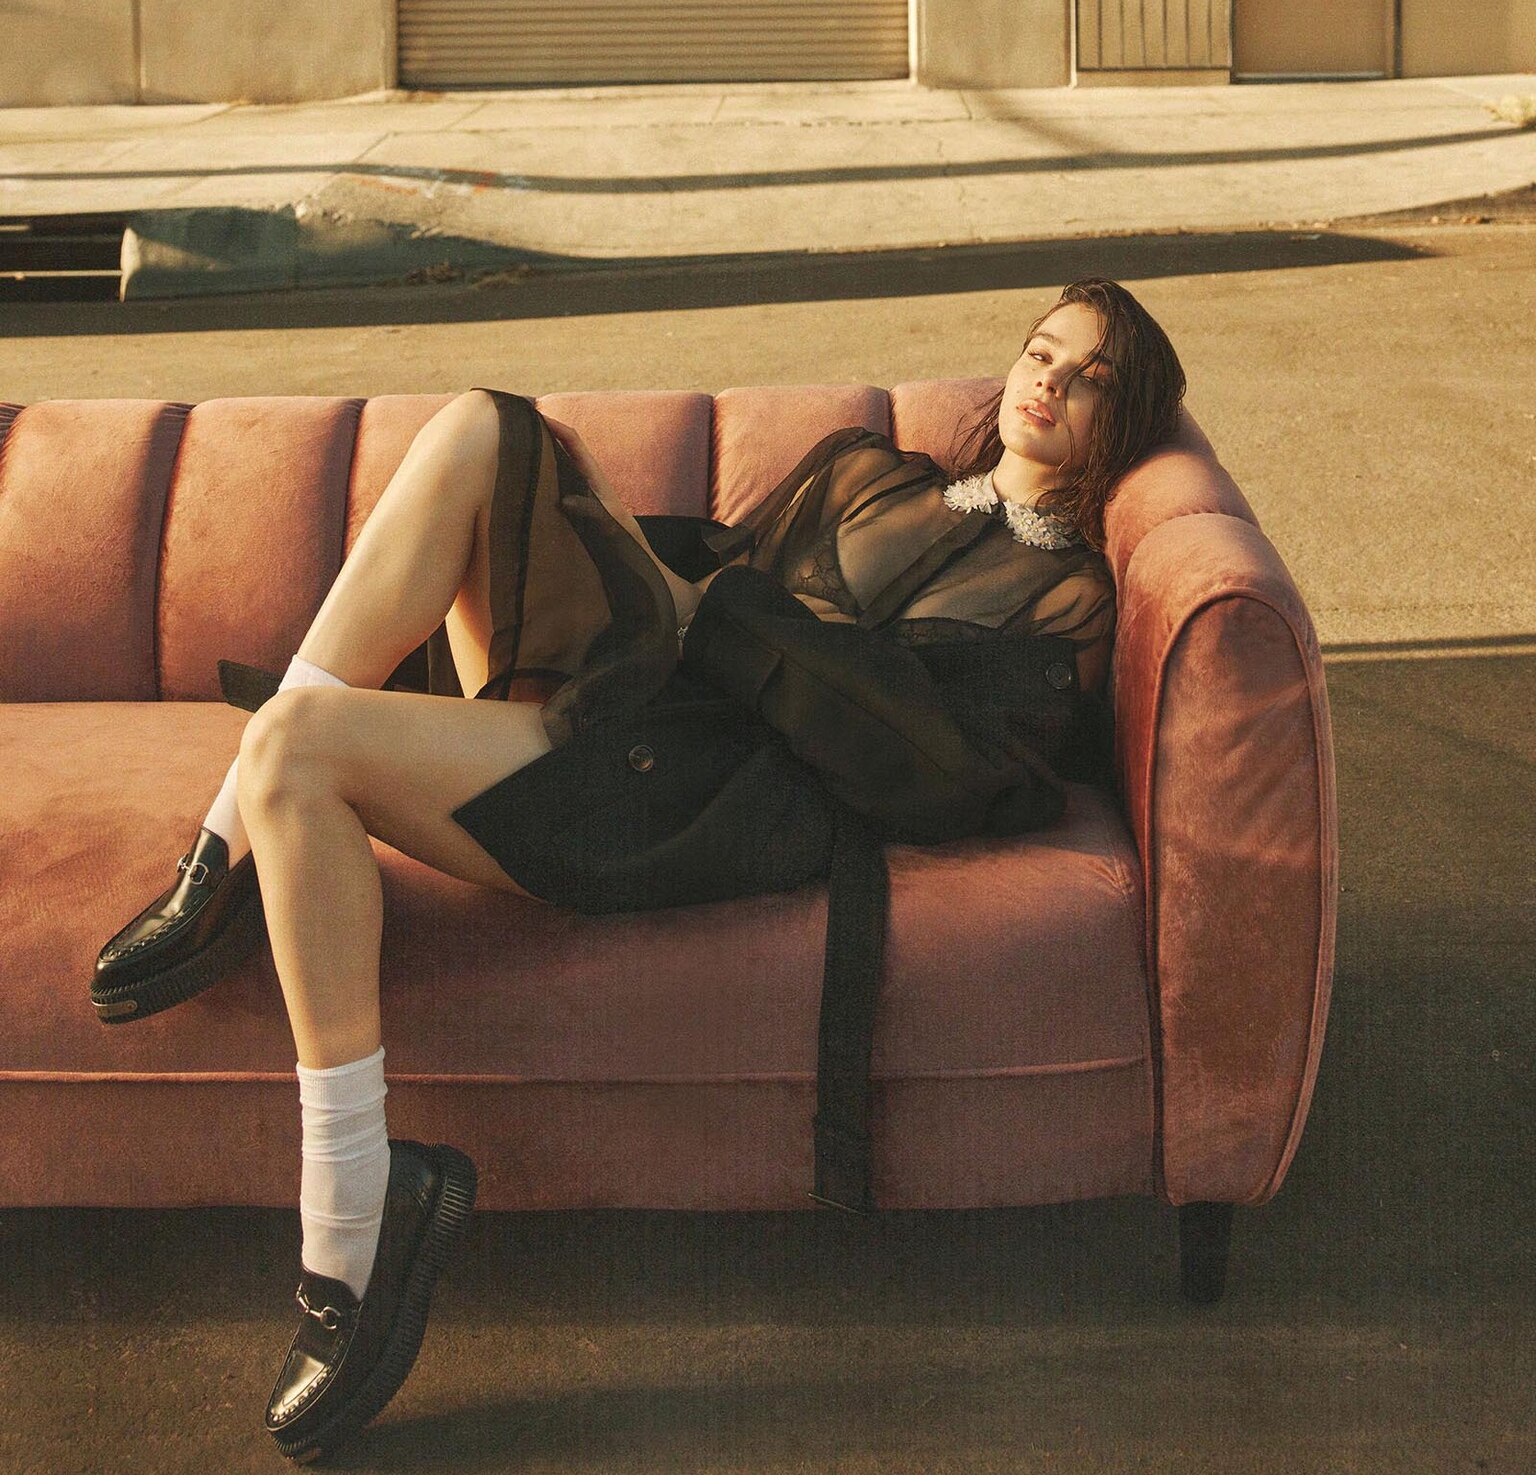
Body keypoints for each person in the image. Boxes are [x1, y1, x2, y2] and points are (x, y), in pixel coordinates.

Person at [87, 276, 1186, 1462]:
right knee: (482, 423)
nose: (1049, 382)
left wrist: (708, 613)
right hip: (646, 687)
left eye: (1090, 379)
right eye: (1040, 352)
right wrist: (620, 550)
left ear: (1119, 424)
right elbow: (720, 563)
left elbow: (937, 771)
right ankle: (225, 856)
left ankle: (348, 1212)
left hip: (703, 787)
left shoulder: (1067, 599)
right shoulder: (868, 469)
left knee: (292, 747)